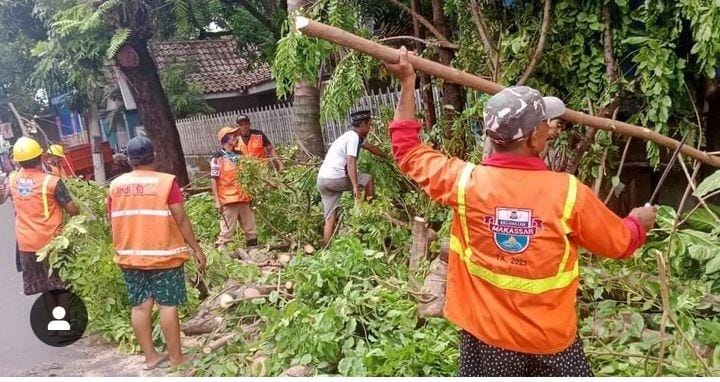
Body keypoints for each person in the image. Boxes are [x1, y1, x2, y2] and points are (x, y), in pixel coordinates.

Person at [383, 47, 657, 377]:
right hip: (549, 343)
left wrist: (407, 82)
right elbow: (621, 243)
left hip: (485, 338)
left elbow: (408, 151)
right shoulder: (568, 193)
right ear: (531, 140)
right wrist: (639, 222)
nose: (552, 126)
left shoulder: (465, 183)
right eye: (545, 122)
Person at [108, 136, 207, 369]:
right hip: (164, 255)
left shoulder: (116, 185)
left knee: (140, 306)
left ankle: (150, 357)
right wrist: (197, 249)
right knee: (167, 305)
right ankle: (176, 359)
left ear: (130, 159)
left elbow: (112, 220)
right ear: (153, 156)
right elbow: (181, 219)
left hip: (129, 255)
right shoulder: (165, 183)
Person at [0, 137, 79, 298]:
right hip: (52, 244)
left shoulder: (12, 179)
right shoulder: (51, 182)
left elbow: (2, 198)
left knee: (44, 288)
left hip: (27, 245)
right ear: (41, 157)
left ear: (18, 162)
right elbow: (73, 210)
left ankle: (51, 315)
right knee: (61, 284)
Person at [316, 110, 387, 244]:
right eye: (369, 125)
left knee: (330, 217)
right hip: (334, 179)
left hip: (322, 180)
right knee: (368, 179)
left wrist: (387, 156)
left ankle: (326, 251)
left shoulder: (350, 137)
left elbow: (370, 147)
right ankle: (370, 210)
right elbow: (350, 161)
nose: (370, 128)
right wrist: (355, 187)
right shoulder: (354, 138)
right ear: (362, 125)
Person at [210, 127, 258, 249]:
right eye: (233, 136)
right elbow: (214, 179)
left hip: (244, 197)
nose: (237, 138)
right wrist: (217, 201)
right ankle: (220, 254)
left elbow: (249, 176)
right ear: (225, 140)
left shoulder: (241, 156)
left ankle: (253, 251)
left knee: (250, 227)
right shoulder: (217, 158)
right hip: (228, 200)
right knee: (227, 230)